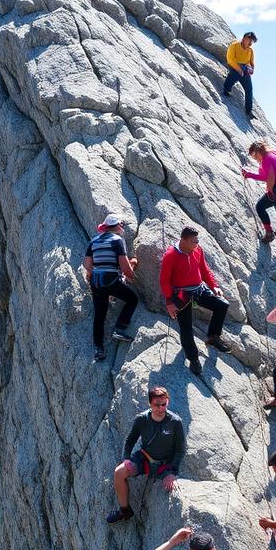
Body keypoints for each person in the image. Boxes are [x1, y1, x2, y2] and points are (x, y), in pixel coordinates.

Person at [107, 386, 185, 524]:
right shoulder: (142, 419)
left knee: (174, 494)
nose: (161, 408)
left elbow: (180, 450)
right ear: (150, 403)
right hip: (144, 459)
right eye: (157, 405)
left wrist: (173, 472)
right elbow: (130, 440)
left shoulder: (175, 422)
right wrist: (126, 459)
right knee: (119, 472)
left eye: (164, 404)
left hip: (164, 465)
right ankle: (125, 510)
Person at [159, 225, 230, 370]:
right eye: (194, 241)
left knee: (222, 305)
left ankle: (213, 336)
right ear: (184, 240)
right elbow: (164, 281)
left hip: (198, 289)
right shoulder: (171, 255)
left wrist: (214, 285)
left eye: (197, 241)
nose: (197, 244)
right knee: (186, 328)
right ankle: (193, 359)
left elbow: (204, 269)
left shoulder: (197, 250)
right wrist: (169, 302)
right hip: (181, 294)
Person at [83, 214, 139, 363]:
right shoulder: (117, 241)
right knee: (132, 299)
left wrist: (97, 269)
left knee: (99, 314)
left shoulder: (94, 241)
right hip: (111, 279)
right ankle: (119, 328)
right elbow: (125, 266)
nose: (123, 228)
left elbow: (87, 265)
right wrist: (132, 268)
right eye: (122, 225)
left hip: (96, 281)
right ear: (118, 226)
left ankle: (98, 349)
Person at [242, 139, 276, 252]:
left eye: (254, 156)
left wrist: (270, 191)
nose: (254, 158)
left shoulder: (266, 159)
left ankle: (269, 233)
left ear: (257, 152)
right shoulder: (274, 153)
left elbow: (269, 177)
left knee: (260, 207)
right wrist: (250, 174)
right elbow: (271, 174)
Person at [222, 31, 258, 119]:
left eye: (252, 41)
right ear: (244, 38)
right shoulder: (234, 45)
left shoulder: (250, 51)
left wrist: (252, 69)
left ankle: (249, 111)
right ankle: (226, 89)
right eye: (250, 40)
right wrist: (239, 69)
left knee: (249, 89)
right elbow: (230, 59)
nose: (251, 43)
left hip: (245, 69)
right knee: (235, 75)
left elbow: (252, 63)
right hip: (234, 65)